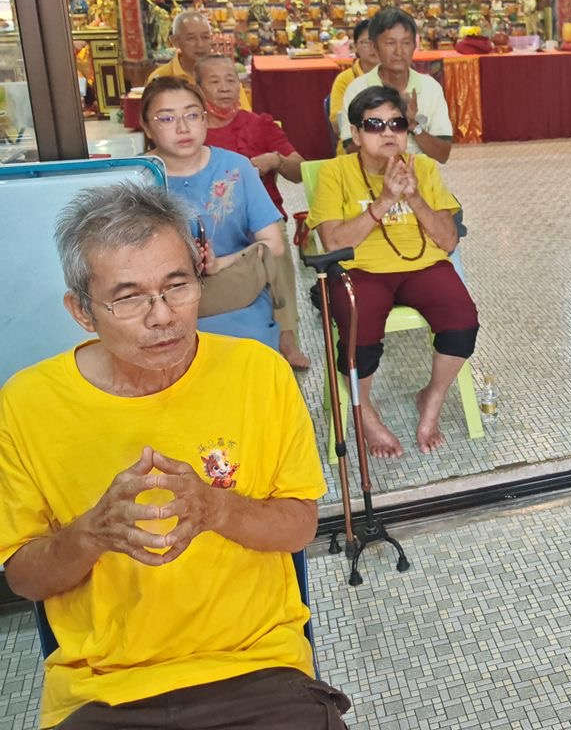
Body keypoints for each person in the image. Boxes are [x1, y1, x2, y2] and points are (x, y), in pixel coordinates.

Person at [0, 183, 349, 729]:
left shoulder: (258, 374)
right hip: (104, 692)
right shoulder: (27, 404)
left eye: (177, 286)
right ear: (82, 312)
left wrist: (217, 508)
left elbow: (300, 527)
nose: (162, 316)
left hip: (256, 670)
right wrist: (92, 534)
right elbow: (24, 578)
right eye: (129, 297)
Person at [308, 85, 479, 457]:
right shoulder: (334, 172)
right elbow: (333, 243)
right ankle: (366, 412)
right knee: (360, 331)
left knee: (462, 320)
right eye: (374, 124)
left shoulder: (425, 168)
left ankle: (432, 397)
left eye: (397, 124)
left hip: (423, 266)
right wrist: (385, 200)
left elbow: (448, 241)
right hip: (359, 269)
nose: (387, 132)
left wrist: (414, 197)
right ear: (356, 134)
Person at [141, 77, 310, 370]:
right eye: (166, 118)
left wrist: (221, 263)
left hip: (234, 296)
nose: (183, 127)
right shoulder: (137, 178)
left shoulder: (236, 168)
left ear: (205, 120)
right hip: (163, 305)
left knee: (250, 364)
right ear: (146, 128)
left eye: (192, 115)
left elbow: (274, 244)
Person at [337, 7, 452, 164]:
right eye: (390, 43)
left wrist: (412, 125)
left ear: (414, 46)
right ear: (375, 47)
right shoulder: (357, 89)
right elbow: (350, 149)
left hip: (420, 174)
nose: (399, 51)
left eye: (406, 43)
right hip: (374, 176)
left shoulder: (430, 88)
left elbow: (443, 155)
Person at [199, 54, 304, 218]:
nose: (224, 88)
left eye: (230, 80)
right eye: (214, 82)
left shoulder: (260, 124)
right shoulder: (191, 131)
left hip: (264, 217)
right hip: (209, 220)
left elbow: (300, 172)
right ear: (198, 89)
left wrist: (276, 160)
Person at [327, 18, 379, 146]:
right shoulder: (345, 79)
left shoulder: (396, 76)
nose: (374, 47)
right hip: (355, 145)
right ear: (355, 46)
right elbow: (337, 123)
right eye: (367, 42)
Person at [146, 9, 213, 87]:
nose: (200, 44)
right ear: (175, 41)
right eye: (191, 38)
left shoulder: (220, 71)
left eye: (205, 37)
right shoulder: (161, 77)